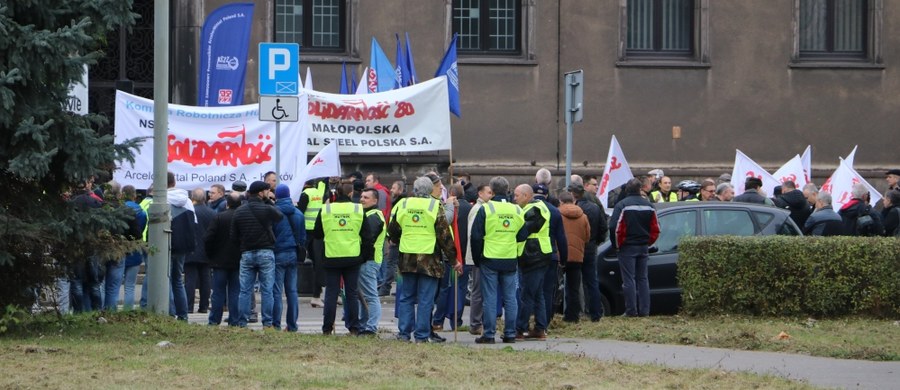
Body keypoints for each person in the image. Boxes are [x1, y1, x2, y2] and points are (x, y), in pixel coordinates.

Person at [388, 176, 460, 343]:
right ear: (430, 191)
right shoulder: (435, 205)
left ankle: (404, 334)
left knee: (406, 297)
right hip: (430, 259)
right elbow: (444, 236)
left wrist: (398, 240)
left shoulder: (403, 204)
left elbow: (393, 229)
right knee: (426, 300)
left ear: (414, 190)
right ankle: (421, 336)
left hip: (407, 257)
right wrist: (453, 259)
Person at [470, 176, 529, 344]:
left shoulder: (486, 209)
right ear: (508, 190)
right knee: (510, 298)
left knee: (490, 298)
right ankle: (510, 333)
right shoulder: (516, 210)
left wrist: (476, 259)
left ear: (492, 190)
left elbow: (476, 237)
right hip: (510, 258)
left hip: (489, 258)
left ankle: (489, 334)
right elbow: (523, 234)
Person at [313, 184, 372, 335]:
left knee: (331, 293)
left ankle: (327, 328)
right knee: (351, 293)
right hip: (352, 256)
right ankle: (354, 327)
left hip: (332, 256)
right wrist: (363, 256)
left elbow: (317, 234)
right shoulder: (357, 209)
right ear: (351, 193)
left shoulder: (326, 209)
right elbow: (367, 235)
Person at [231, 181, 282, 328]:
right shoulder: (266, 208)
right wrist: (269, 201)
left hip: (246, 253)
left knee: (245, 290)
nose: (268, 193)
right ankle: (267, 323)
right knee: (267, 290)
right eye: (267, 191)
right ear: (261, 193)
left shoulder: (240, 211)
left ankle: (242, 322)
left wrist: (242, 246)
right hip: (266, 252)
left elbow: (233, 236)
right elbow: (279, 216)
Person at [608, 178, 659, 317]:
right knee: (643, 279)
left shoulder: (622, 205)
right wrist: (648, 242)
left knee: (629, 280)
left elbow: (614, 227)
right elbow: (656, 228)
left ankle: (631, 311)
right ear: (640, 189)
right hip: (643, 246)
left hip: (627, 247)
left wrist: (616, 245)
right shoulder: (649, 205)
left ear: (627, 189)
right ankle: (644, 311)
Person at [513, 184, 552, 340]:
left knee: (527, 294)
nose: (514, 199)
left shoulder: (533, 210)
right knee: (537, 294)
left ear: (527, 196)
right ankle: (540, 328)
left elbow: (523, 232)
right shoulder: (537, 207)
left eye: (517, 195)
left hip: (533, 255)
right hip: (539, 254)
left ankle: (520, 329)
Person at [432, 184, 472, 331]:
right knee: (460, 289)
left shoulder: (445, 209)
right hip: (464, 254)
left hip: (449, 254)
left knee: (444, 289)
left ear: (450, 194)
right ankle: (457, 320)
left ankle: (438, 320)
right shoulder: (471, 208)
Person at [567, 182, 605, 322]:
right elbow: (603, 226)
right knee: (592, 282)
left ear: (572, 194)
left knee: (574, 283)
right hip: (591, 247)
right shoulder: (595, 207)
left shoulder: (574, 209)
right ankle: (596, 313)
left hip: (577, 248)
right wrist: (596, 242)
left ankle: (574, 314)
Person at [271, 184, 306, 332]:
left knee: (277, 291)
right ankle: (292, 325)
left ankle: (276, 324)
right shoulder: (298, 213)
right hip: (293, 253)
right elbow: (303, 237)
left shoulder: (273, 213)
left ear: (277, 196)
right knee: (292, 291)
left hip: (278, 253)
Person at [205, 192, 243, 326]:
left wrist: (211, 255)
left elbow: (209, 238)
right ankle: (234, 320)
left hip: (219, 260)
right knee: (235, 292)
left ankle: (214, 320)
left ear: (227, 204)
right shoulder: (242, 218)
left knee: (218, 292)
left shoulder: (219, 217)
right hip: (238, 260)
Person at [166, 172, 196, 321]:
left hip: (167, 243)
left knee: (166, 279)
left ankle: (170, 313)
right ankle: (183, 315)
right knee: (178, 280)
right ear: (174, 182)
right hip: (183, 245)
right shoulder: (188, 201)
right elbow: (194, 223)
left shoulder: (161, 199)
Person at [558, 192, 591, 322]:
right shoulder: (583, 216)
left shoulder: (557, 214)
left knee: (555, 288)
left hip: (561, 255)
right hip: (577, 256)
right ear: (573, 201)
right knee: (574, 288)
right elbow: (587, 236)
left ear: (561, 202)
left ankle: (550, 315)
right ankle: (573, 316)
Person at [465, 184, 492, 335]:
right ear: (480, 193)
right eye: (488, 192)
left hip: (480, 255)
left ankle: (478, 321)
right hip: (479, 256)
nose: (491, 195)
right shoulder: (477, 209)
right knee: (478, 290)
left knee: (480, 289)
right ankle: (475, 323)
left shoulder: (482, 208)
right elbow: (474, 234)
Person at [358, 188, 385, 335]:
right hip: (368, 260)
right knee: (364, 296)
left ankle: (371, 327)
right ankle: (364, 325)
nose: (362, 199)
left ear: (375, 201)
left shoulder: (374, 216)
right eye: (361, 196)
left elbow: (367, 239)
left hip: (369, 260)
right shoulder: (367, 214)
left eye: (366, 197)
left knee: (370, 296)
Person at [184, 188, 214, 313]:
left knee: (190, 279)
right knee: (206, 279)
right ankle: (204, 306)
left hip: (191, 249)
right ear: (205, 198)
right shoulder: (212, 213)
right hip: (207, 250)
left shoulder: (189, 212)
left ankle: (189, 306)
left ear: (192, 198)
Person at [299, 179, 327, 307]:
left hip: (306, 231)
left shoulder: (305, 194)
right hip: (318, 232)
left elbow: (299, 213)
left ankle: (314, 295)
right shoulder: (319, 193)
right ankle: (317, 295)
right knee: (318, 264)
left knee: (299, 260)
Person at [378, 180, 407, 296]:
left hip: (397, 239)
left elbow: (396, 222)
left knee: (392, 263)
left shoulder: (400, 203)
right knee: (398, 264)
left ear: (400, 190)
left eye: (394, 188)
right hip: (398, 238)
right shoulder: (396, 202)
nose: (391, 190)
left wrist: (392, 238)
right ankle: (399, 288)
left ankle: (386, 288)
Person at [121, 185, 147, 310]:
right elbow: (141, 230)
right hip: (135, 250)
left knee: (112, 285)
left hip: (119, 249)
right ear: (134, 196)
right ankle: (127, 310)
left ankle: (109, 311)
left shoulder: (118, 210)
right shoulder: (141, 212)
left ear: (122, 195)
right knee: (130, 286)